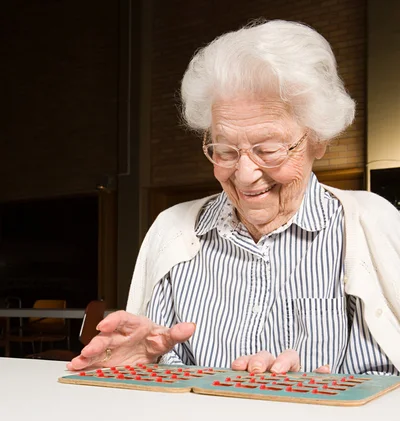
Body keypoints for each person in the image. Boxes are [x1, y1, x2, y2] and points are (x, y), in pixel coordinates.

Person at [68, 19, 400, 375]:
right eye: (224, 151)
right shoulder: (173, 232)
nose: (244, 175)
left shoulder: (371, 226)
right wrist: (142, 369)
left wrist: (325, 394)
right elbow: (158, 380)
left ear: (317, 140)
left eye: (268, 149)